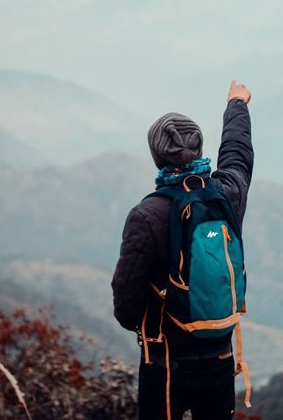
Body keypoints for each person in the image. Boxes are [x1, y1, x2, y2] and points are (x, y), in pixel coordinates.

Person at [111, 80, 253, 420]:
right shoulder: (226, 196)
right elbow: (237, 154)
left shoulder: (146, 216)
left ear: (157, 156)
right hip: (220, 358)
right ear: (199, 147)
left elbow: (125, 307)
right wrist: (237, 105)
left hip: (165, 365)